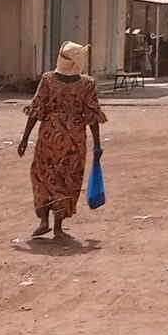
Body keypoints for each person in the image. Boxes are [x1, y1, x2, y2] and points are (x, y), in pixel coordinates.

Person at [17, 41, 105, 241]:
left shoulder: (48, 80)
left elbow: (36, 110)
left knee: (43, 176)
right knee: (67, 179)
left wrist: (24, 139)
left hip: (49, 138)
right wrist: (97, 145)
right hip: (74, 140)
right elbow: (92, 117)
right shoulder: (87, 84)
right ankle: (58, 226)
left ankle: (44, 221)